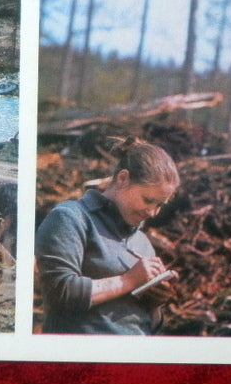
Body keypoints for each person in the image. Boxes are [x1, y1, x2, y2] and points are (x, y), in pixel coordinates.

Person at [36, 137, 179, 335]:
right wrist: (128, 281)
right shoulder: (71, 217)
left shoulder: (143, 243)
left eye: (160, 205)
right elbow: (60, 293)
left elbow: (150, 327)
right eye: (148, 200)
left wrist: (155, 303)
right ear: (123, 179)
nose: (153, 213)